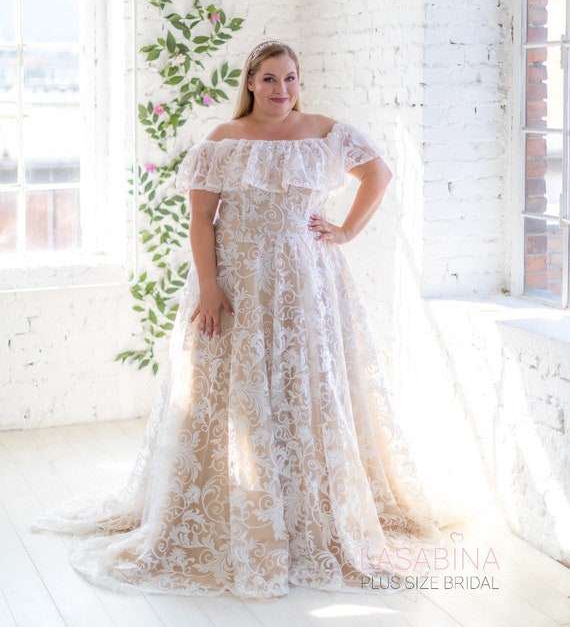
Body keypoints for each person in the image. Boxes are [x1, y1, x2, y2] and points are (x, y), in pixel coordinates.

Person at [32, 40, 442, 598]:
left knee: (307, 386)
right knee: (229, 391)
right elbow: (202, 219)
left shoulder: (326, 131)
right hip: (237, 277)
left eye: (292, 78)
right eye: (270, 79)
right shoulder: (222, 141)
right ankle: (239, 508)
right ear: (250, 82)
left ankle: (310, 514)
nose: (282, 90)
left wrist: (345, 231)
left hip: (307, 281)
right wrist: (209, 286)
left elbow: (380, 174)